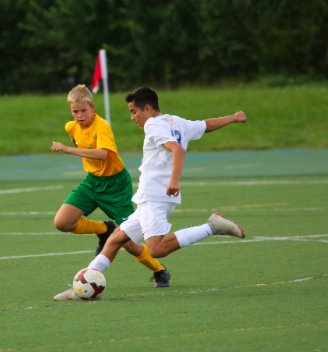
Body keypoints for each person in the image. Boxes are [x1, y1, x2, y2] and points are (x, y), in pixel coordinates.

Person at [67, 87, 247, 295]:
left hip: (156, 195)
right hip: (152, 197)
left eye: (134, 112)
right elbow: (207, 125)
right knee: (116, 239)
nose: (133, 118)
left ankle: (212, 227)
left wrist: (174, 180)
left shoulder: (152, 124)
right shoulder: (176, 121)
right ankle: (81, 284)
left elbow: (177, 149)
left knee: (157, 249)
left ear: (147, 108)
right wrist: (233, 118)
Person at [51, 84, 170, 301]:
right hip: (92, 183)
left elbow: (103, 155)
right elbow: (81, 143)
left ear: (92, 108)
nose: (79, 116)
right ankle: (104, 229)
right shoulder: (71, 127)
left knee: (128, 241)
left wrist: (69, 150)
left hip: (116, 186)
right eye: (75, 111)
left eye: (83, 111)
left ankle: (159, 270)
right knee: (62, 222)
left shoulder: (102, 126)